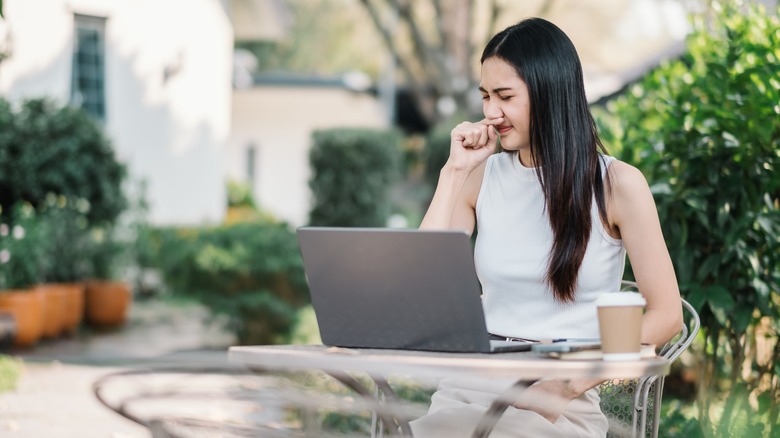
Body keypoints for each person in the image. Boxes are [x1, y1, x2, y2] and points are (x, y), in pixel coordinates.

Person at [410, 17, 683, 437]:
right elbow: (419, 280)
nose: (490, 112)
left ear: (550, 94)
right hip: (471, 383)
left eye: (505, 96)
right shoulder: (480, 176)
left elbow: (667, 316)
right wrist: (453, 172)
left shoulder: (617, 185)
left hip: (559, 397)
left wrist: (568, 383)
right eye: (484, 96)